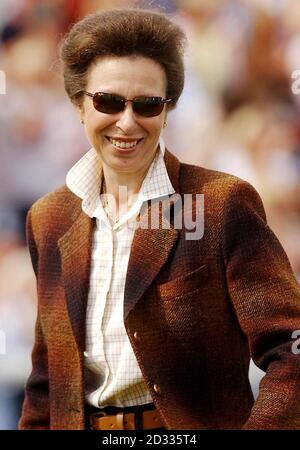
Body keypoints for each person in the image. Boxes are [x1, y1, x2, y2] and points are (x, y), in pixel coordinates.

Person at [19, 8, 300, 430]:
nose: (127, 121)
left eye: (148, 104)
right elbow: (47, 383)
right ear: (79, 104)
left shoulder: (218, 204)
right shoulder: (50, 218)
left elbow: (290, 348)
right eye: (108, 101)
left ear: (168, 110)